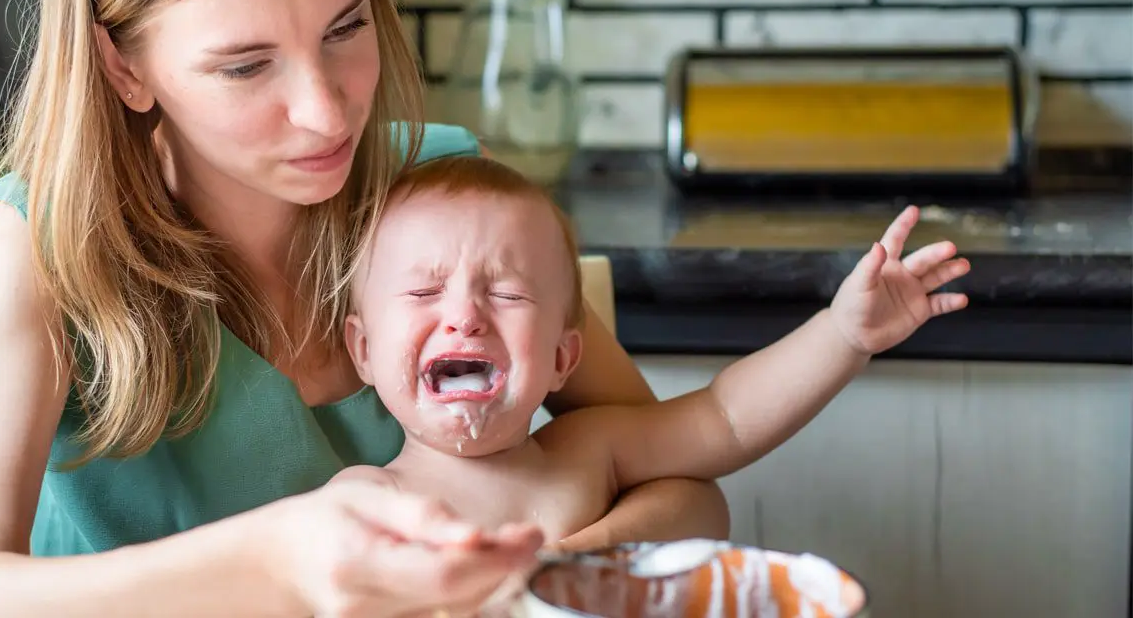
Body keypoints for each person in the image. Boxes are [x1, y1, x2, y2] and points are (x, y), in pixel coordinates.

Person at [0, 0, 728, 616]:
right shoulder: (33, 252)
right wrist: (277, 561)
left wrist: (530, 576)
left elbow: (687, 496)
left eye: (346, 27)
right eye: (246, 67)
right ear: (123, 68)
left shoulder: (444, 199)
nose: (328, 114)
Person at [334, 155, 970, 554]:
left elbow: (726, 418)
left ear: (563, 358)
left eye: (505, 292)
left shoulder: (590, 450)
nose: (465, 316)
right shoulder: (364, 502)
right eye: (423, 291)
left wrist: (842, 335)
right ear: (363, 350)